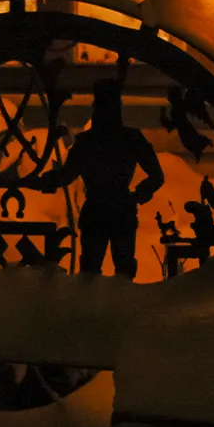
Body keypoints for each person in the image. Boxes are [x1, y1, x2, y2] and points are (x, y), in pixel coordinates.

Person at [39, 78, 164, 279]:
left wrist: (49, 180)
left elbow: (67, 174)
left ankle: (95, 305)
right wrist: (138, 195)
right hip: (117, 209)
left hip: (101, 210)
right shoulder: (129, 139)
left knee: (97, 272)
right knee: (110, 271)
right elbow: (156, 176)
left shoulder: (89, 141)